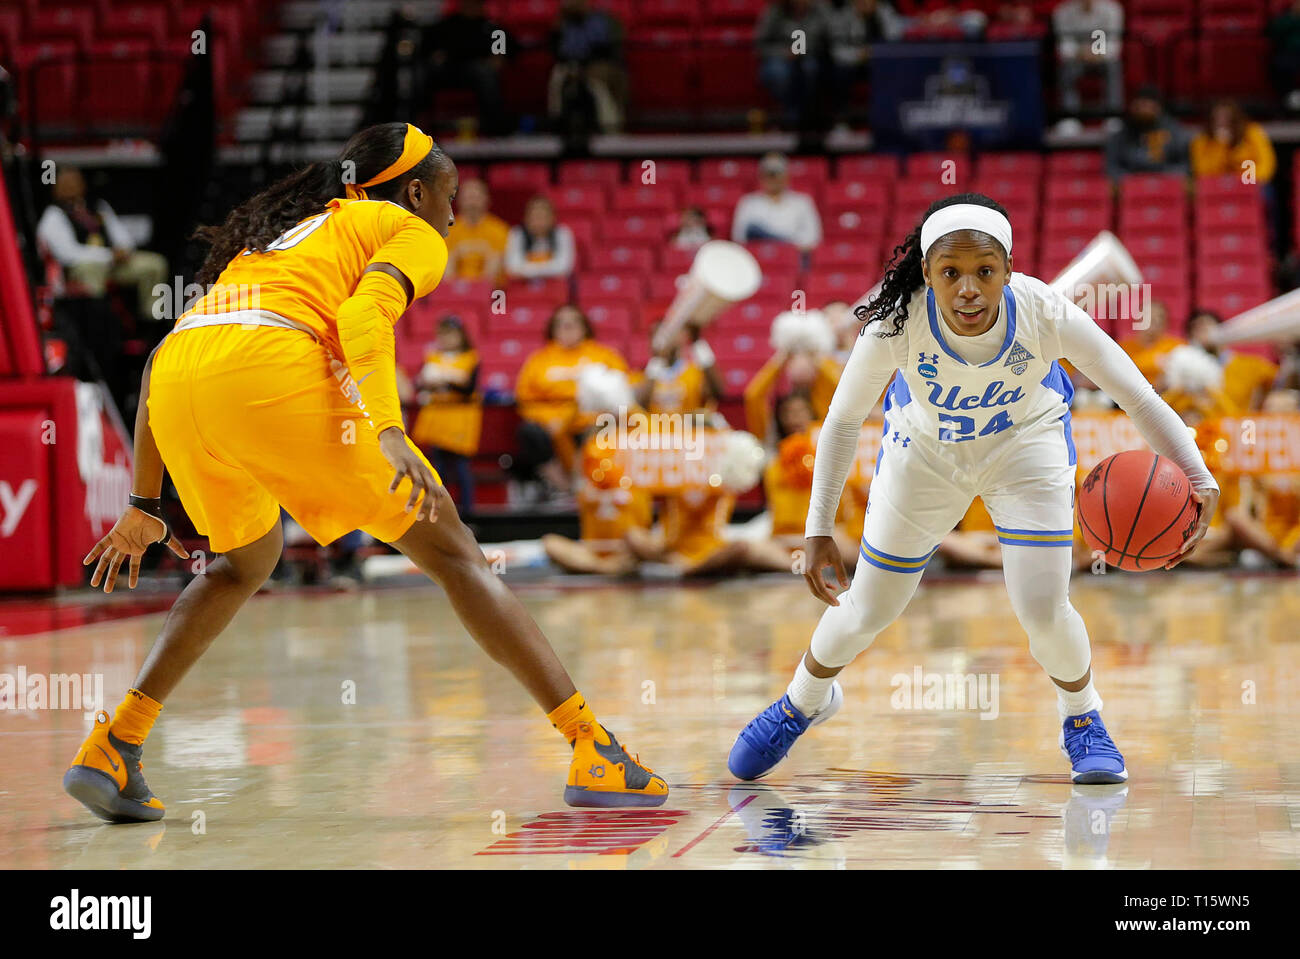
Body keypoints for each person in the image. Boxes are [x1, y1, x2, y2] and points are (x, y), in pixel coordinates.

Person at [65, 123, 667, 823]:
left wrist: (145, 500)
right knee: (456, 552)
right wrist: (388, 428)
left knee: (241, 562)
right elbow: (366, 312)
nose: (451, 214)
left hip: (178, 381)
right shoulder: (405, 228)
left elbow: (165, 355)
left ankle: (116, 741)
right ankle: (592, 746)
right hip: (269, 371)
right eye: (446, 198)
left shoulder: (279, 241)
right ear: (414, 191)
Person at [728, 193, 1220, 786]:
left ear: (1008, 271)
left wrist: (1199, 478)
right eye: (951, 272)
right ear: (927, 274)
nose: (968, 288)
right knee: (867, 610)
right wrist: (818, 529)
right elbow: (838, 424)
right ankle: (802, 702)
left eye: (984, 271)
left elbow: (1137, 396)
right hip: (924, 456)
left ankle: (1083, 721)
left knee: (1042, 607)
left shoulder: (1043, 310)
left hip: (1026, 449)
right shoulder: (897, 322)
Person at [513, 304, 628, 499]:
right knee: (529, 432)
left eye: (573, 323)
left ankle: (591, 484)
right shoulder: (539, 360)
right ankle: (565, 488)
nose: (567, 328)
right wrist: (549, 419)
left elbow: (621, 392)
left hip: (592, 420)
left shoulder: (604, 356)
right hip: (552, 423)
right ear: (553, 329)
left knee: (605, 427)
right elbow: (525, 400)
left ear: (584, 327)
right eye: (561, 324)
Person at [36, 166, 168, 323]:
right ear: (56, 187)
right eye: (65, 182)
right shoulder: (54, 215)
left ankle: (150, 321)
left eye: (75, 181)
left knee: (155, 264)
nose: (71, 186)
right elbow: (69, 254)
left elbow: (121, 235)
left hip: (112, 265)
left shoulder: (98, 206)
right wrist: (108, 256)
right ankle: (99, 325)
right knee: (90, 270)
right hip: (77, 270)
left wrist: (123, 250)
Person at [411, 316, 480, 515]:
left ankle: (468, 513)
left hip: (460, 421)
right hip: (438, 420)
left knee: (460, 467)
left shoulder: (471, 358)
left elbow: (469, 388)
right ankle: (438, 511)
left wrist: (444, 382)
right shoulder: (432, 358)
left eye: (451, 334)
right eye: (442, 334)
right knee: (437, 468)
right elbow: (420, 383)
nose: (446, 339)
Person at [421, 0, 511, 137]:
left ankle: (494, 128)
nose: (473, 7)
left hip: (476, 73)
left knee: (485, 72)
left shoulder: (495, 29)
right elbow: (430, 52)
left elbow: (499, 57)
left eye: (477, 4)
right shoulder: (445, 26)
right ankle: (420, 125)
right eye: (469, 3)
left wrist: (495, 59)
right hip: (447, 71)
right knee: (420, 73)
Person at [548, 0, 627, 138]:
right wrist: (558, 27)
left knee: (597, 83)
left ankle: (610, 129)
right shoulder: (564, 23)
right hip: (571, 66)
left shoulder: (602, 21)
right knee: (557, 76)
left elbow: (608, 51)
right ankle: (558, 125)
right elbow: (559, 52)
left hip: (598, 66)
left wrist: (584, 69)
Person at [755, 0, 832, 131]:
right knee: (778, 73)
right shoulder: (775, 11)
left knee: (812, 69)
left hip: (811, 57)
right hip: (781, 59)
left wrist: (803, 49)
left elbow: (828, 39)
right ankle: (790, 115)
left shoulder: (820, 10)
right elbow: (760, 46)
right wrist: (784, 52)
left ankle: (809, 117)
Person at [827, 0, 904, 128]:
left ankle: (891, 118)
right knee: (839, 72)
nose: (865, 3)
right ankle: (842, 121)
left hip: (880, 63)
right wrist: (858, 55)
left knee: (895, 71)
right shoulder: (843, 16)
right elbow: (836, 51)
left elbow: (896, 38)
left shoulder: (884, 12)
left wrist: (877, 52)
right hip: (853, 63)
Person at [731, 153, 823, 257]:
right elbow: (740, 238)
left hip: (792, 259)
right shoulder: (748, 202)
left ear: (786, 176)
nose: (772, 180)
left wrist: (782, 245)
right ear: (761, 177)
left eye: (776, 174)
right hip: (758, 258)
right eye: (769, 175)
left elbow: (813, 238)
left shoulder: (802, 202)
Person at [1052, 0, 1125, 115]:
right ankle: (1070, 116)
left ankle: (1113, 114)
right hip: (1076, 59)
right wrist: (1079, 53)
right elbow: (1064, 45)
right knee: (1066, 69)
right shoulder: (1063, 11)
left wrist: (1097, 53)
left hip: (1103, 58)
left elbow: (1114, 44)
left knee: (1114, 66)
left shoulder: (1112, 9)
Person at [1104, 86, 1191, 179]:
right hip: (1132, 186)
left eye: (1146, 106)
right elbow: (1112, 169)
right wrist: (1133, 179)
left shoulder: (1173, 131)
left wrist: (1160, 176)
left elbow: (1186, 167)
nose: (1142, 111)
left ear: (1158, 108)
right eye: (1138, 107)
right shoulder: (1121, 135)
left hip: (1166, 185)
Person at [1190, 99, 1276, 185]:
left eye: (1227, 117)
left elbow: (1266, 163)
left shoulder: (1252, 132)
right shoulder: (1201, 140)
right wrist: (1221, 145)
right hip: (1216, 187)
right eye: (1217, 118)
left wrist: (1246, 181)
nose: (1222, 122)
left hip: (1252, 182)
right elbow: (1201, 171)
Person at [443, 179, 509, 283]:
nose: (472, 203)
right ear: (459, 201)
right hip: (455, 289)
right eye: (468, 198)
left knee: (493, 260)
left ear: (487, 200)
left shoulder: (499, 229)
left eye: (476, 198)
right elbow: (446, 270)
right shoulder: (448, 229)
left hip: (490, 291)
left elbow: (497, 265)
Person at [504, 195, 576, 281]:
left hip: (556, 286)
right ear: (526, 218)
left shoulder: (562, 234)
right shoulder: (517, 234)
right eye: (535, 216)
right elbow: (513, 268)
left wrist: (527, 269)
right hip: (523, 286)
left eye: (543, 216)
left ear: (553, 217)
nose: (539, 221)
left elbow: (564, 267)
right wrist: (549, 269)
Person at [1117, 299, 1184, 385]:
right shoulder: (1122, 347)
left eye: (1157, 321)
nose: (1151, 326)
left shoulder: (1178, 347)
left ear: (1165, 323)